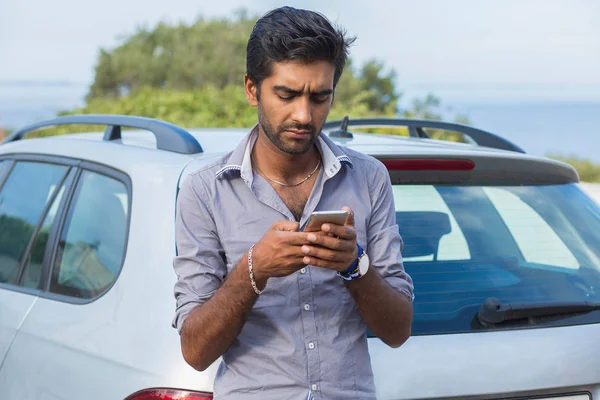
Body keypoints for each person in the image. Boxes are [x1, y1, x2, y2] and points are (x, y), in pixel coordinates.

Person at [172, 6, 414, 400]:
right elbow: (195, 352)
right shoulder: (204, 191)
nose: (304, 114)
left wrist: (355, 265)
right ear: (252, 89)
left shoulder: (370, 178)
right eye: (286, 95)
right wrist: (253, 271)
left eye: (320, 97)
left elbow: (398, 331)